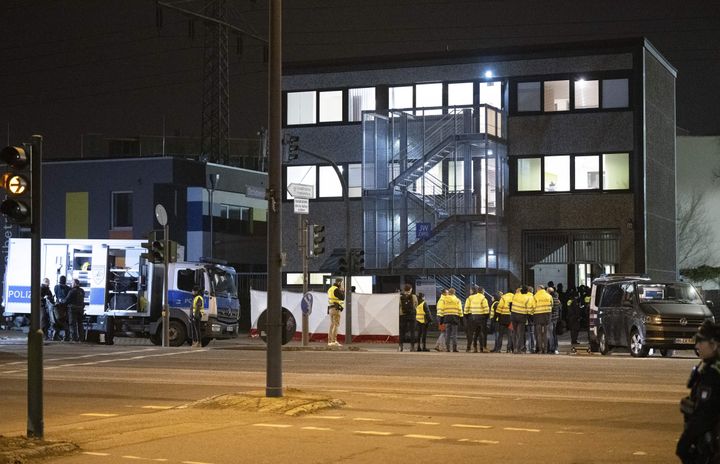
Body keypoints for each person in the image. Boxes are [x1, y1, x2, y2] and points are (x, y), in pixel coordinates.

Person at [677, 320, 720, 464]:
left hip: (711, 445)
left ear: (713, 344)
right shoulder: (708, 368)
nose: (697, 346)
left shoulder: (713, 374)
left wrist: (685, 442)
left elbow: (705, 414)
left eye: (701, 341)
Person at [464, 285, 489, 352]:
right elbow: (486, 309)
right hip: (481, 317)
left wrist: (466, 315)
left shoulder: (470, 298)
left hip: (472, 317)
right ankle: (482, 348)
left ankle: (469, 347)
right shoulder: (483, 298)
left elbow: (466, 308)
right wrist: (486, 317)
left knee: (471, 333)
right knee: (481, 333)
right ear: (482, 291)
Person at [511, 286, 535, 353]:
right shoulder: (527, 298)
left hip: (513, 315)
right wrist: (530, 316)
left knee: (514, 332)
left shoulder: (516, 295)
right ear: (527, 291)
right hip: (521, 316)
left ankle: (514, 348)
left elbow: (511, 303)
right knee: (520, 333)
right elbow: (529, 308)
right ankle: (519, 349)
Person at [442, 288, 463, 352]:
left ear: (449, 292)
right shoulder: (457, 300)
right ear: (454, 293)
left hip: (447, 318)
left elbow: (442, 309)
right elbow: (460, 310)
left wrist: (442, 318)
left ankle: (447, 348)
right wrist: (461, 318)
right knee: (454, 334)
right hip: (455, 318)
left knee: (447, 334)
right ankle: (454, 348)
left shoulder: (444, 299)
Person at [398, 284, 418, 352]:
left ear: (404, 290)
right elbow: (416, 304)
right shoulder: (414, 296)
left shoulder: (400, 297)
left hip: (402, 315)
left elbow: (399, 305)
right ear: (411, 289)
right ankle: (412, 347)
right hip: (412, 315)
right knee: (412, 331)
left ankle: (400, 347)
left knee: (402, 331)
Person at [533, 285, 552, 354]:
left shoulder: (535, 296)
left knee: (539, 334)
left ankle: (540, 350)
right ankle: (546, 350)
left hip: (538, 316)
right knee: (546, 333)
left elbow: (533, 306)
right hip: (547, 315)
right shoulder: (549, 296)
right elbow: (551, 304)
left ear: (538, 289)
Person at [327, 278, 345, 347]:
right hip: (336, 309)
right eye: (342, 283)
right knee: (336, 324)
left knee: (332, 324)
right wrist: (342, 291)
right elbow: (342, 298)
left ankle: (330, 341)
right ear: (339, 283)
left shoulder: (330, 289)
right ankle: (333, 341)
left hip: (331, 308)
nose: (342, 285)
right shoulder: (336, 290)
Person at [53, 276, 71, 341]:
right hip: (65, 308)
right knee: (65, 322)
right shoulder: (68, 288)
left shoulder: (56, 287)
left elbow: (56, 294)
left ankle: (55, 336)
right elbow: (68, 298)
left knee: (57, 321)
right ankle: (66, 337)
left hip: (57, 307)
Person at [548, 287, 562, 354]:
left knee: (550, 334)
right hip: (556, 318)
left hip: (551, 318)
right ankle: (556, 347)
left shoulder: (552, 300)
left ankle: (552, 348)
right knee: (554, 333)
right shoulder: (558, 301)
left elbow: (550, 310)